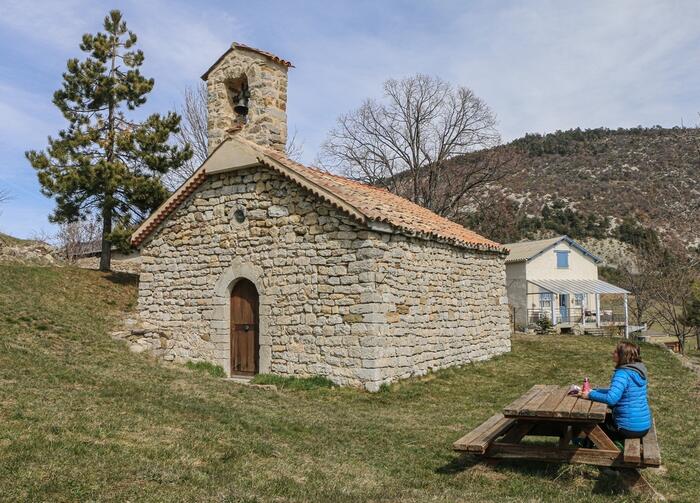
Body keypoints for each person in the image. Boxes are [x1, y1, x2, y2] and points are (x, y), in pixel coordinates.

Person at [581, 341, 652, 439]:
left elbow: (611, 399)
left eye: (616, 352)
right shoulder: (638, 371)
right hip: (643, 426)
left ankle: (586, 448)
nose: (612, 353)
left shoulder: (622, 373)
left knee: (588, 425)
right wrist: (594, 391)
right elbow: (619, 393)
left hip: (628, 428)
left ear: (622, 356)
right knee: (602, 420)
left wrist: (589, 395)